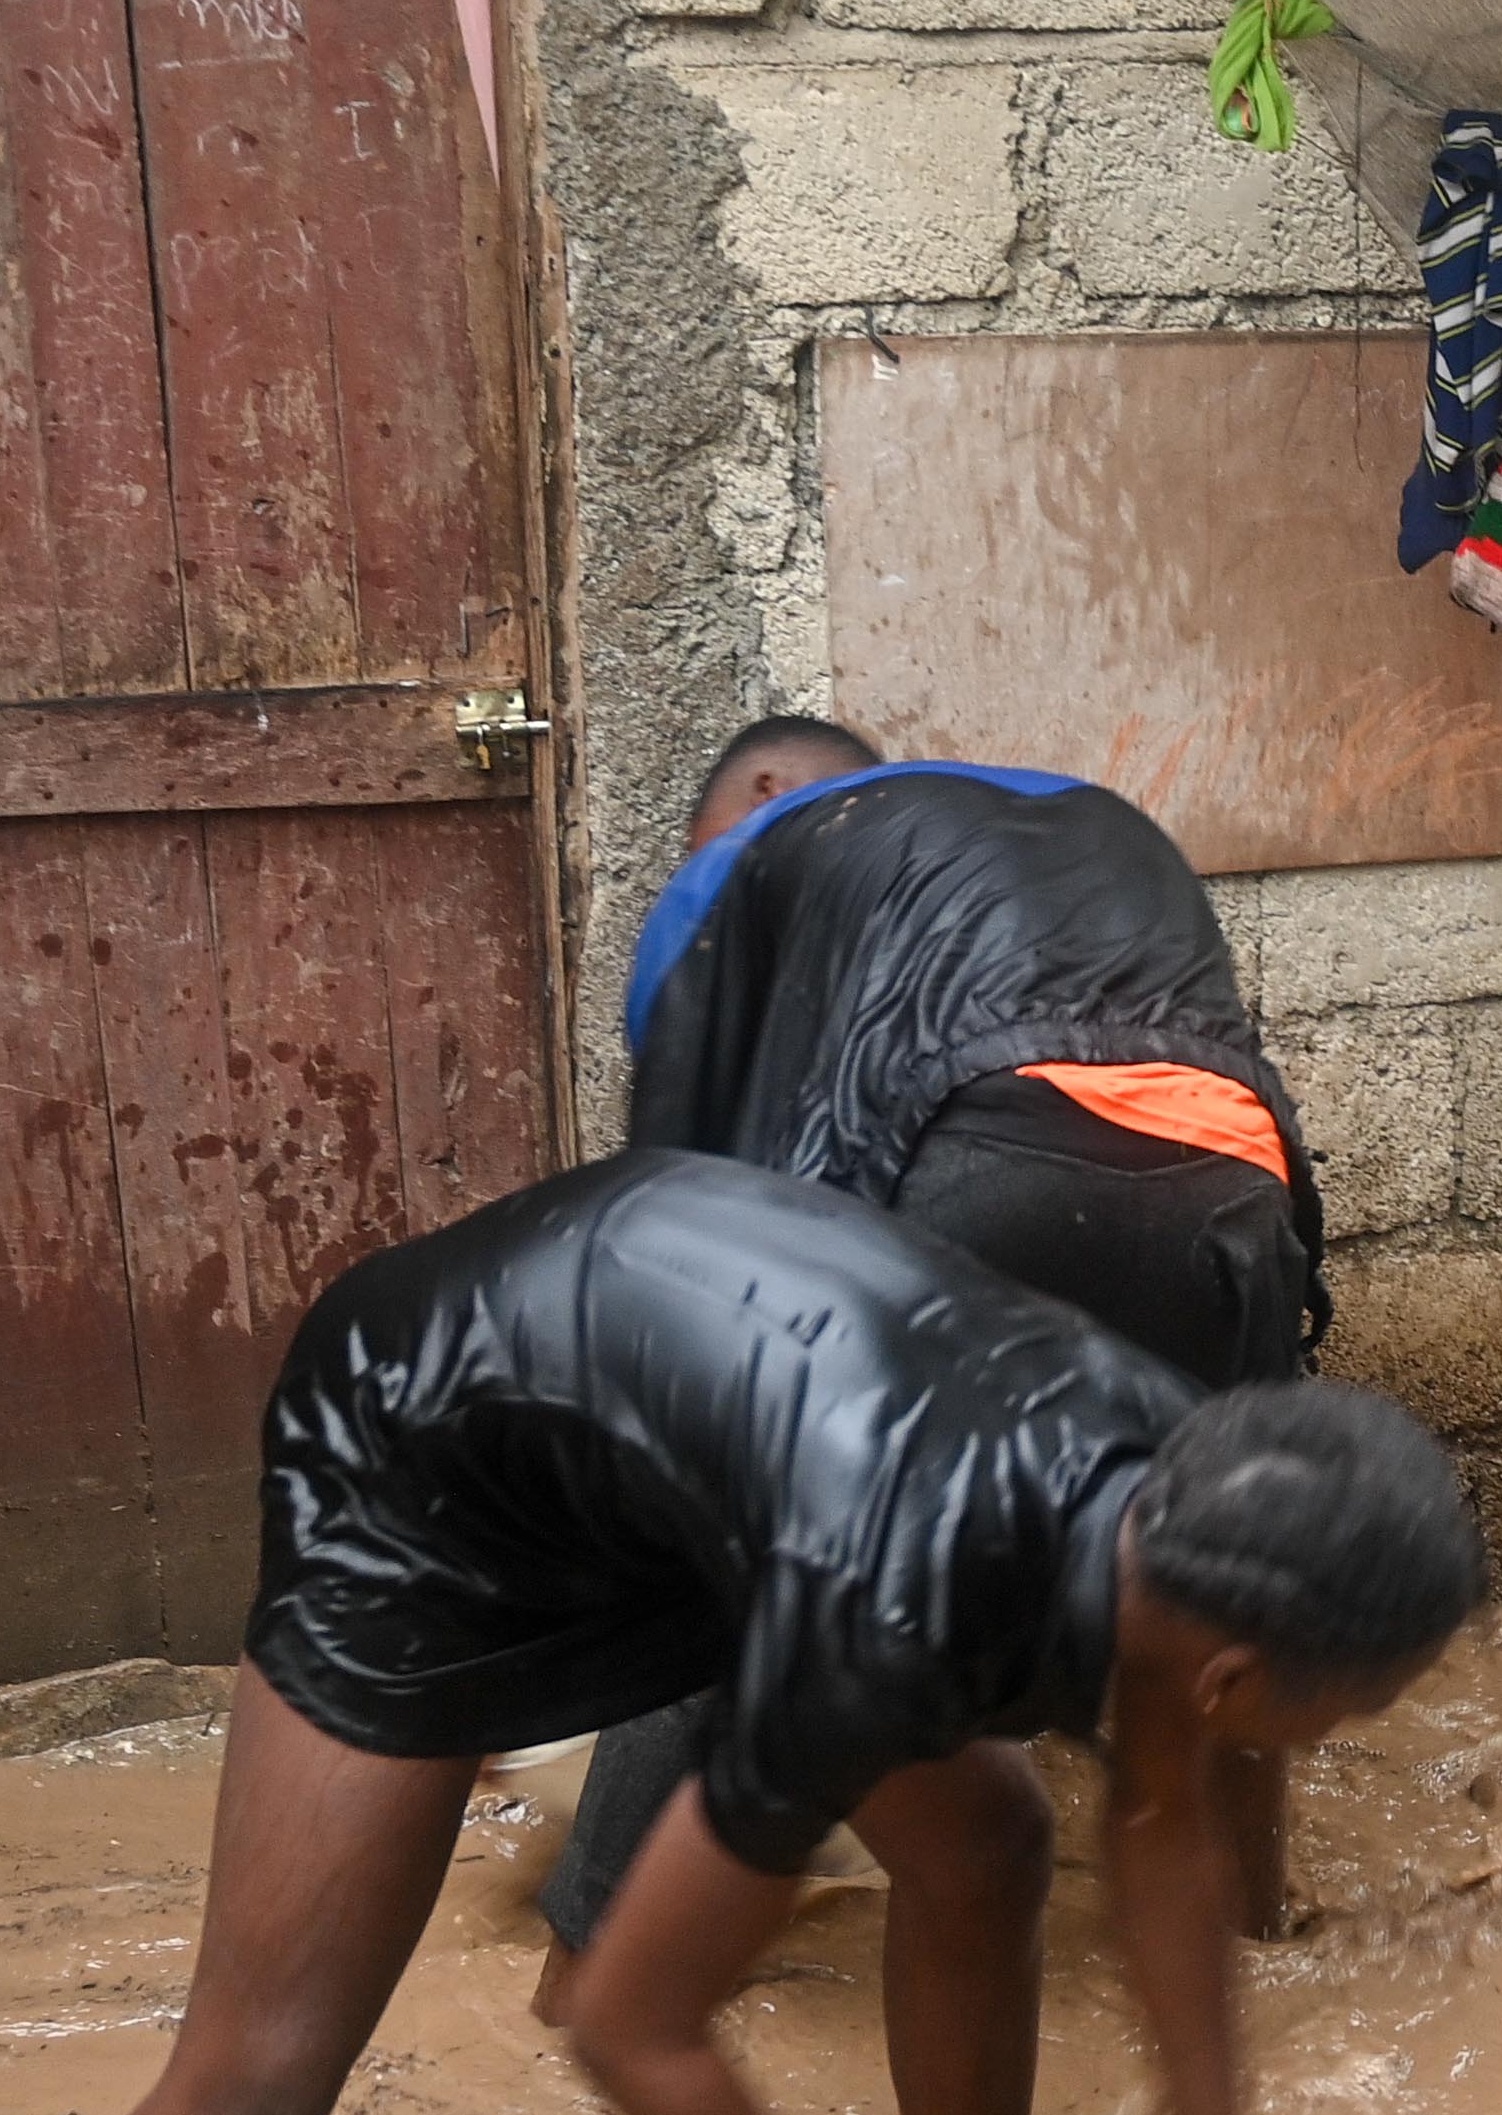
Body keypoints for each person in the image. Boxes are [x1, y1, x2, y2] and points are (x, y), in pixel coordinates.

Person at [0, 1150, 1483, 2115]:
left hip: (688, 1446)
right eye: (1342, 1717)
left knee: (995, 1841)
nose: (1334, 1741)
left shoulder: (1185, 1495)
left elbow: (1162, 1820)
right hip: (421, 1448)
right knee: (256, 2082)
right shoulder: (890, 1610)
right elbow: (633, 2030)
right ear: (1232, 1679)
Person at [549, 716, 1329, 1955]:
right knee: (1216, 1576)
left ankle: (585, 1958)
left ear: (761, 793)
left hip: (985, 1161)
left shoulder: (748, 863)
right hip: (1233, 1198)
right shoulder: (1077, 821)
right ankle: (1257, 1938)